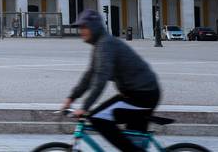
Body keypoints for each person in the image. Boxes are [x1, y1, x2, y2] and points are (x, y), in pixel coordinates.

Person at [62, 9, 160, 151]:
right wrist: (72, 97)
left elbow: (100, 79)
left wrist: (84, 107)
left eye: (84, 27)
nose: (81, 31)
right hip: (137, 94)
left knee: (98, 117)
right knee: (133, 140)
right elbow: (89, 75)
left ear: (94, 27)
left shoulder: (106, 45)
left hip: (142, 95)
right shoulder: (101, 45)